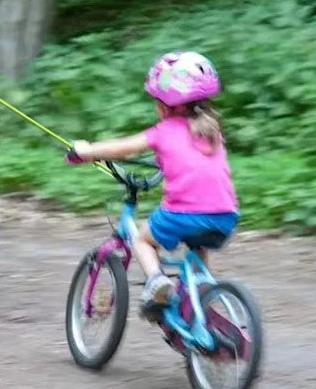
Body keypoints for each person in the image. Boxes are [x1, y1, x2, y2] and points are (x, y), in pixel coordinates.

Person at [69, 51, 239, 316]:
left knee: (142, 240)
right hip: (226, 216)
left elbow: (123, 148)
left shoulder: (163, 131)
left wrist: (86, 150)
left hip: (184, 215)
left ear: (163, 106)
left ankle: (157, 282)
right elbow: (193, 162)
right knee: (198, 246)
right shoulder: (212, 130)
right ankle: (200, 301)